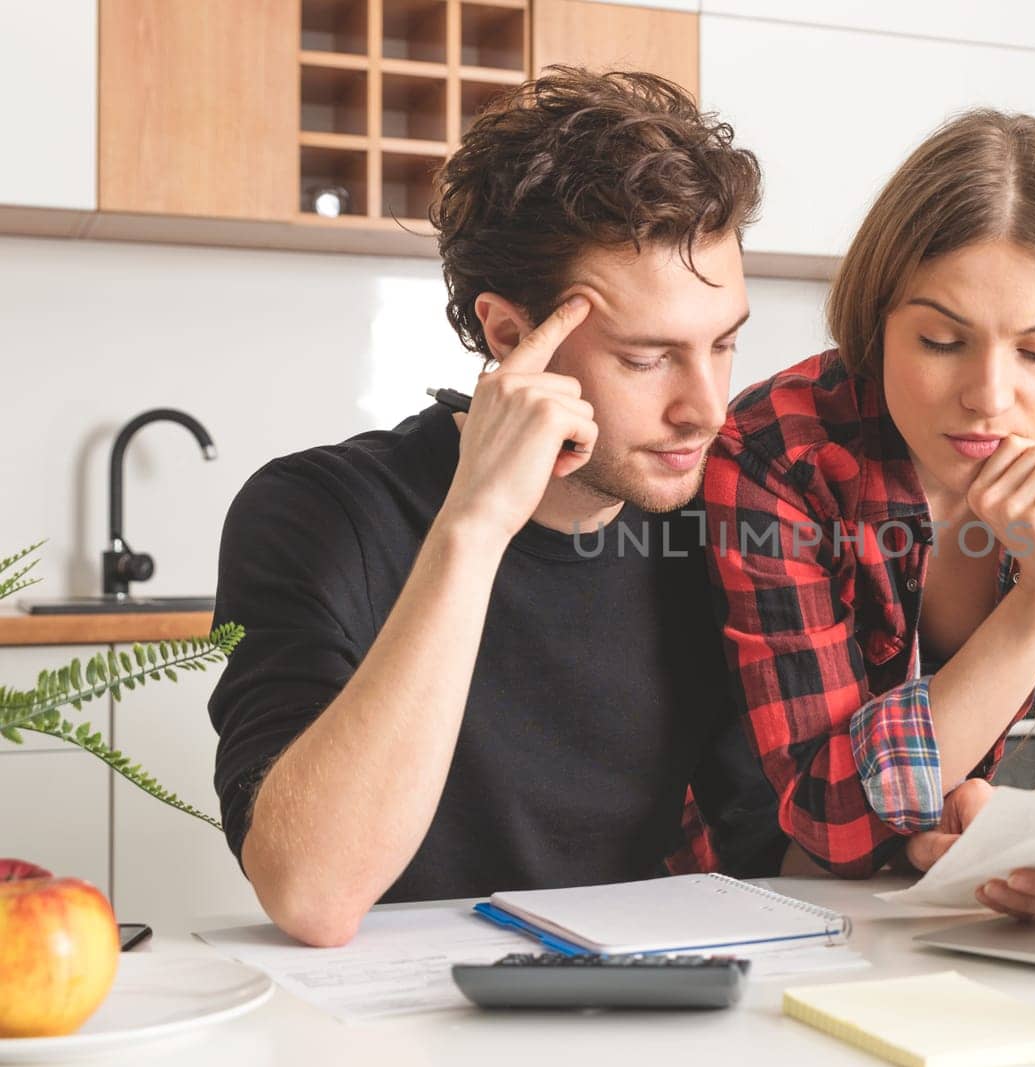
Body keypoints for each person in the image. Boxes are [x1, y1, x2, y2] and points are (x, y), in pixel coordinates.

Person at [209, 69, 782, 947]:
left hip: (650, 1004)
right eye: (646, 358)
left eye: (725, 342)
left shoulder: (720, 519)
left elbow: (772, 845)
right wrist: (473, 530)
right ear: (513, 337)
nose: (706, 407)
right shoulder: (317, 513)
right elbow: (311, 894)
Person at [703, 109, 1035, 921]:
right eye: (941, 341)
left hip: (928, 913)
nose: (991, 397)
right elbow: (834, 823)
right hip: (746, 896)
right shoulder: (778, 452)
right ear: (876, 325)